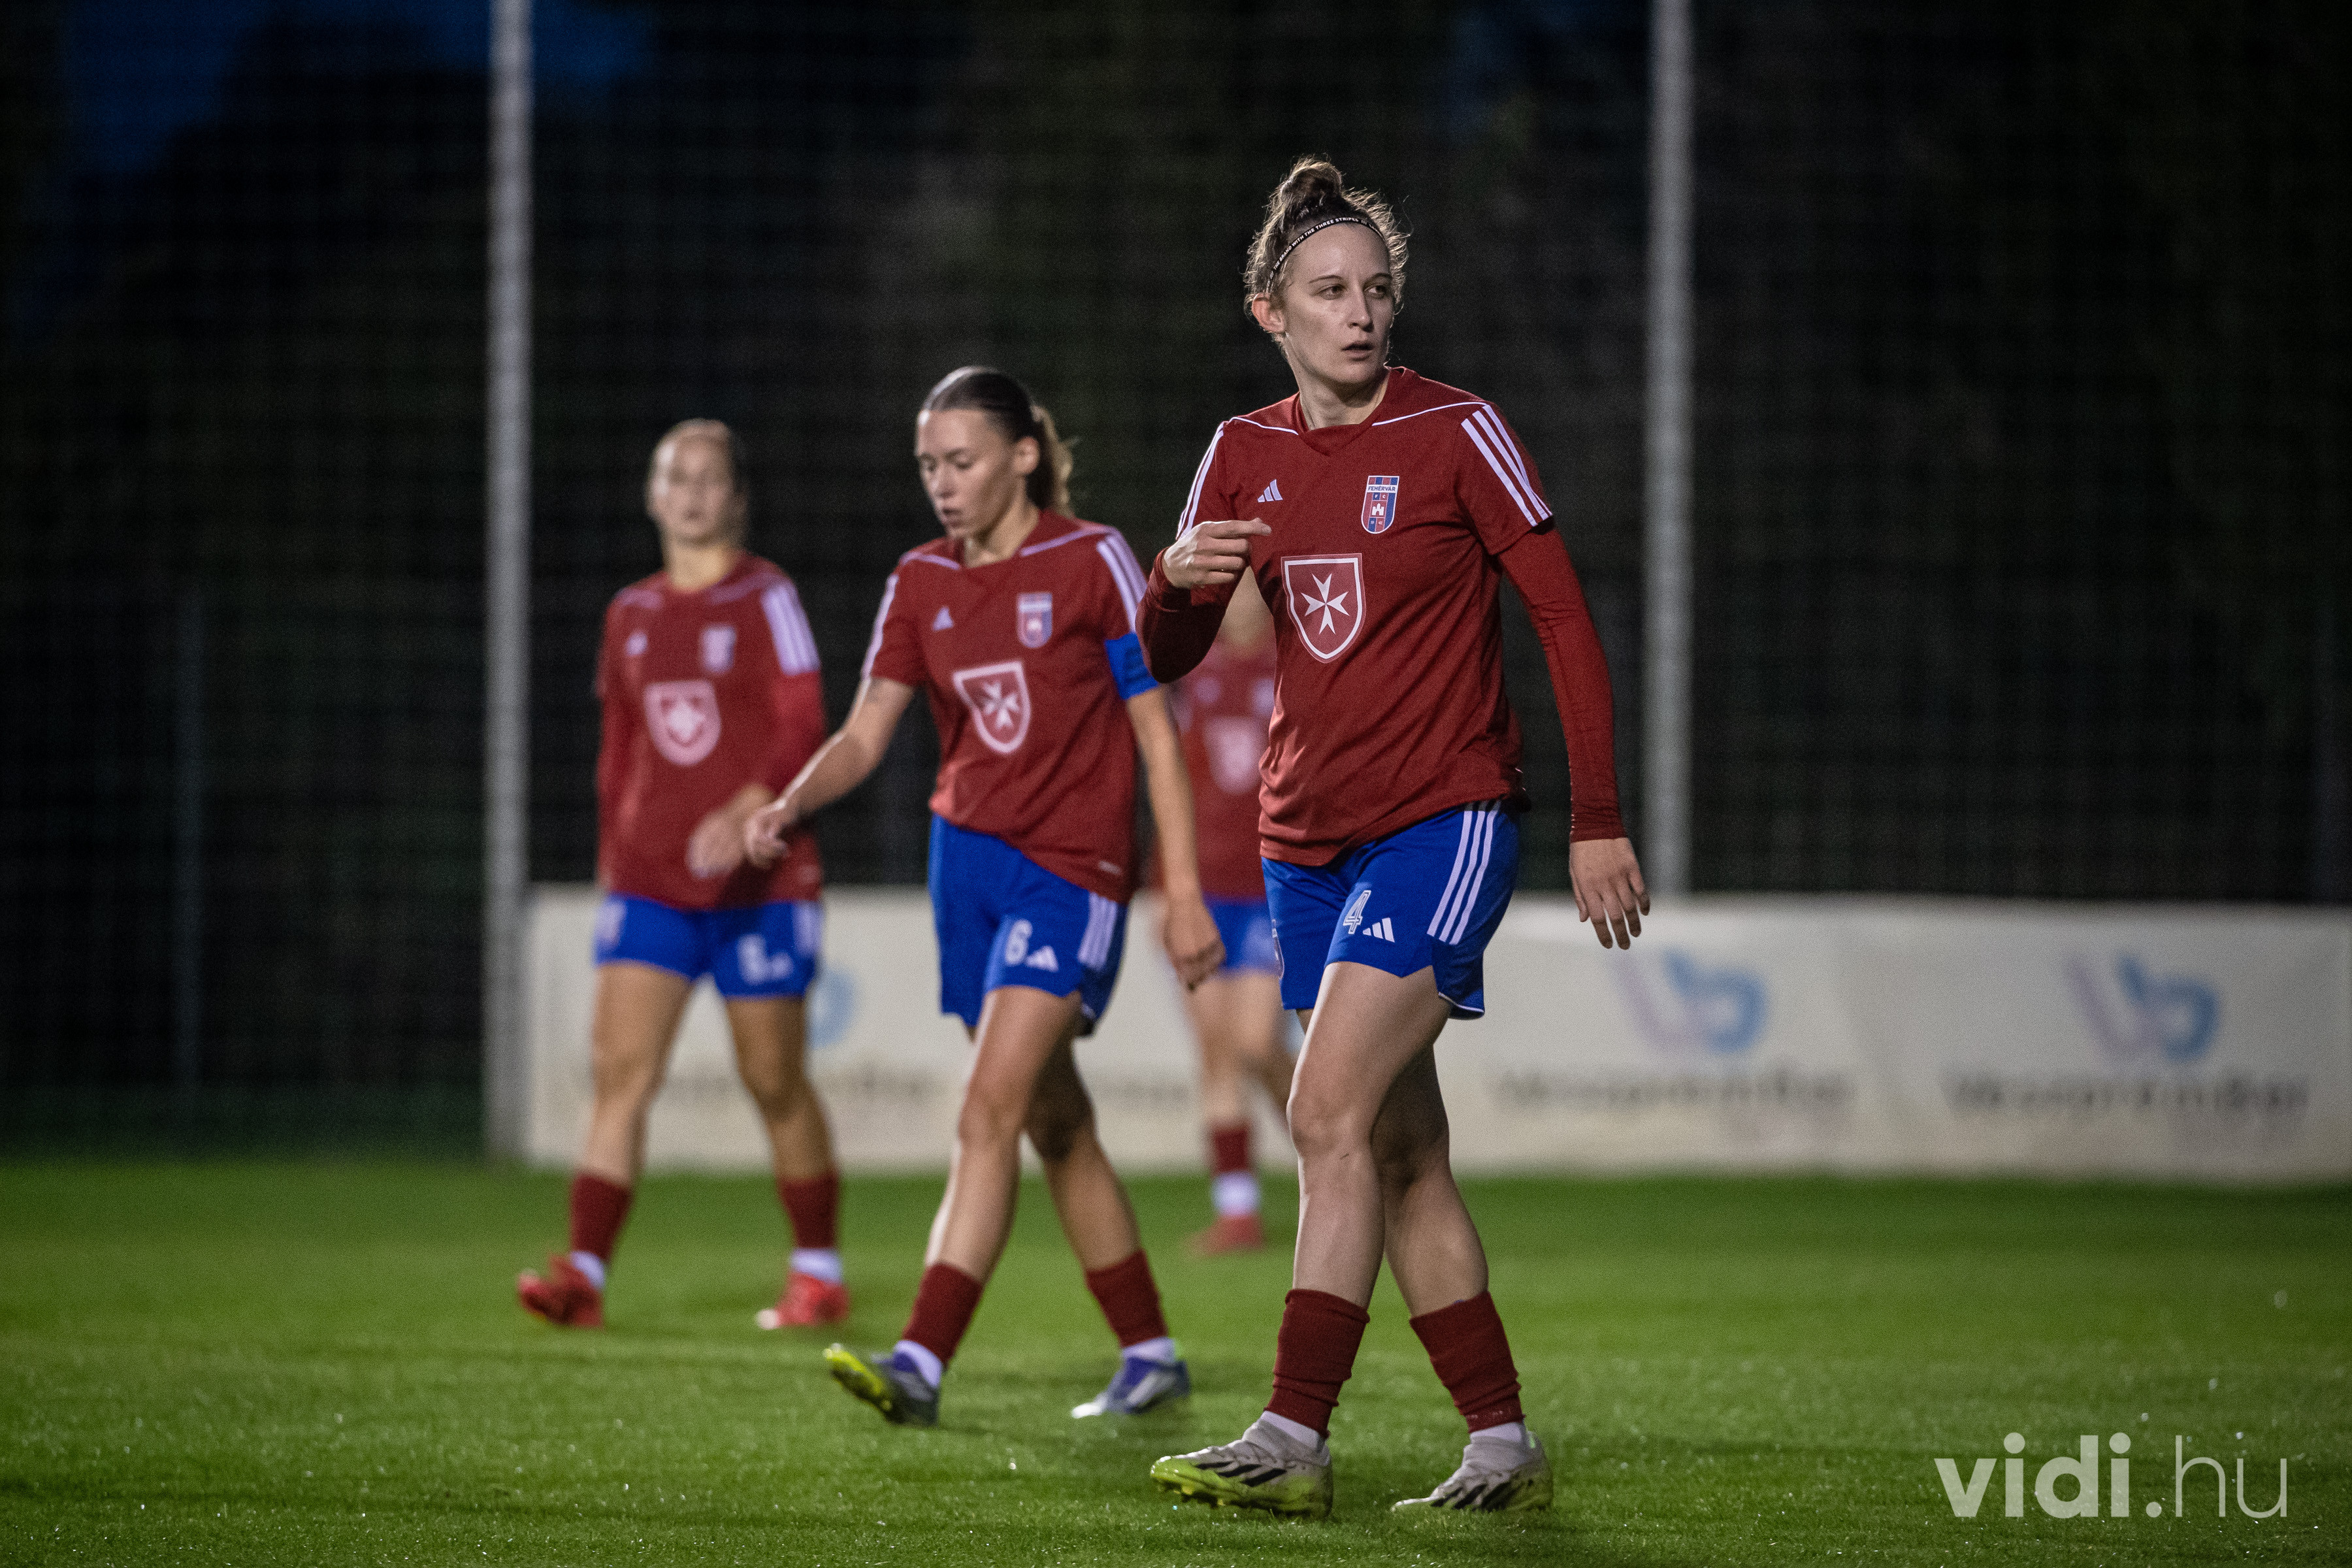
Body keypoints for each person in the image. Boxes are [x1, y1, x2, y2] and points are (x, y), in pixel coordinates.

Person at [1139, 159, 1650, 1518]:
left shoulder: (1457, 430)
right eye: (1328, 292)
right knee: (1400, 1148)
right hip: (1305, 846)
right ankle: (1503, 1445)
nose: (1359, 313)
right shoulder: (1238, 454)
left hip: (1444, 822)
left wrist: (1598, 819)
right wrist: (1167, 587)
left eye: (1375, 289)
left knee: (1321, 1113)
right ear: (1272, 313)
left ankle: (1292, 1438)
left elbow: (1563, 620)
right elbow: (1171, 653)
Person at [743, 366, 1224, 1429]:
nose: (943, 483)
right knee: (1056, 1122)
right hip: (964, 868)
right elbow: (866, 733)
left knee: (987, 1108)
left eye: (961, 461)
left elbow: (1156, 732)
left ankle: (920, 1360)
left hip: (1071, 872)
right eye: (929, 465)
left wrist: (1180, 889)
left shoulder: (1093, 558)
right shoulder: (920, 579)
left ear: (1023, 456)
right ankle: (1151, 1353)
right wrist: (791, 801)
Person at [516, 419, 849, 1333]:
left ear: (736, 498)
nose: (693, 493)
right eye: (676, 477)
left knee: (773, 1079)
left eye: (710, 478)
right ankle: (583, 1275)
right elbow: (619, 752)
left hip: (761, 885)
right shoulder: (629, 614)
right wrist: (612, 864)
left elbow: (804, 721)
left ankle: (818, 1271)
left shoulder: (768, 596)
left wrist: (750, 803)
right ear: (653, 495)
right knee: (620, 1075)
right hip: (651, 886)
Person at [1161, 568, 1292, 1255]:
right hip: (1205, 888)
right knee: (1215, 1047)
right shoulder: (1194, 673)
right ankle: (1237, 1211)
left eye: (1249, 587)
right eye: (1229, 588)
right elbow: (1173, 778)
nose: (1238, 600)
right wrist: (1166, 887)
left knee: (1256, 1042)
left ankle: (1337, 1148)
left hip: (1273, 883)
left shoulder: (1295, 668)